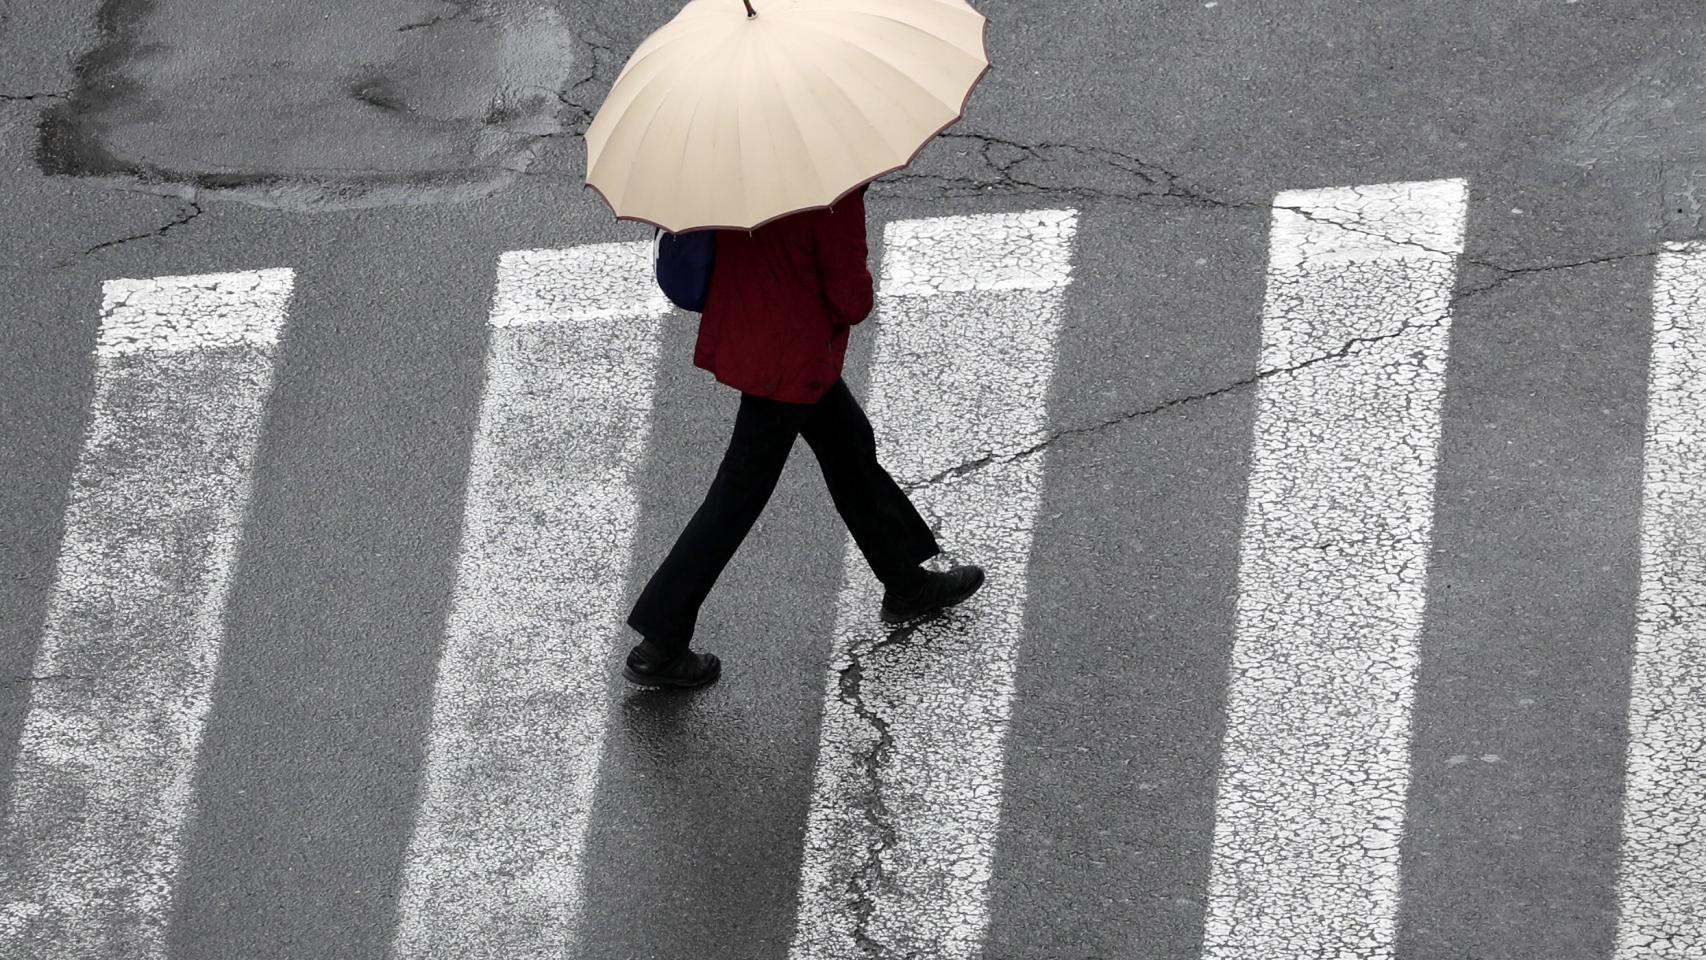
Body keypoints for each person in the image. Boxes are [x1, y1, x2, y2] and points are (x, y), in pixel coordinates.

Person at [622, 182, 986, 689]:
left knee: (849, 447)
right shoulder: (830, 187)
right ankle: (660, 641)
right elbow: (849, 300)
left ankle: (905, 581)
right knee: (738, 495)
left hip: (755, 332)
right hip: (792, 356)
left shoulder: (734, 158)